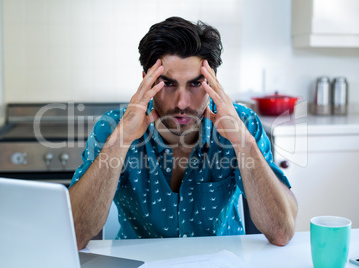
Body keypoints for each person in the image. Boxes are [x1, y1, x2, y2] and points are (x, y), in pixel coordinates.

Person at [69, 16, 297, 250]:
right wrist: (121, 140)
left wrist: (244, 144)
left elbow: (282, 232)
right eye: (167, 84)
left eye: (196, 84)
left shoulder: (243, 123)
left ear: (213, 81)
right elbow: (73, 236)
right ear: (146, 81)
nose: (181, 102)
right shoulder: (113, 127)